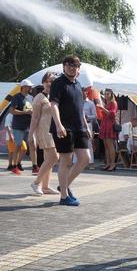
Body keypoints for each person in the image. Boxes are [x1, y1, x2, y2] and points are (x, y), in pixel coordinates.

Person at [50, 55, 91, 206]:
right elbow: (53, 105)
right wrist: (58, 125)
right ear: (64, 66)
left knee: (84, 158)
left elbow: (80, 108)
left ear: (78, 68)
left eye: (75, 65)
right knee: (66, 161)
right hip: (65, 128)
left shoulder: (78, 84)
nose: (72, 67)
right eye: (69, 64)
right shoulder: (58, 83)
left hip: (79, 127)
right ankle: (63, 196)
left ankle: (64, 185)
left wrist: (86, 126)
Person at [28, 72, 60, 196]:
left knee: (49, 159)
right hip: (43, 130)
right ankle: (36, 183)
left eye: (52, 81)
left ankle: (45, 186)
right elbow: (34, 117)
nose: (49, 83)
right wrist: (31, 135)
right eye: (47, 81)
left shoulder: (54, 96)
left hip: (53, 131)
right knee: (54, 157)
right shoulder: (39, 97)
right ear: (43, 82)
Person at [8, 79, 34, 175]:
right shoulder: (16, 97)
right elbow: (12, 111)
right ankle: (14, 166)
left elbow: (32, 109)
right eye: (29, 86)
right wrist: (24, 112)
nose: (30, 88)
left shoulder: (31, 98)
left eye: (31, 86)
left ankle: (19, 163)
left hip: (29, 125)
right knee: (18, 146)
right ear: (23, 87)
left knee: (30, 145)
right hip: (18, 125)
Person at [99, 88, 118, 171]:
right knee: (106, 146)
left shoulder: (113, 103)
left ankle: (113, 164)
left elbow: (112, 114)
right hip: (104, 124)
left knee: (110, 146)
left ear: (111, 95)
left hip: (110, 125)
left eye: (108, 94)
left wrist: (102, 108)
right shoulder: (106, 103)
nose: (106, 95)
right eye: (105, 94)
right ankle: (108, 163)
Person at [82, 87, 97, 169]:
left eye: (84, 92)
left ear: (87, 93)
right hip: (79, 125)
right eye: (81, 92)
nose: (83, 94)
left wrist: (88, 117)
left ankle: (90, 163)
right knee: (78, 144)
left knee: (89, 144)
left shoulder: (90, 103)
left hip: (88, 124)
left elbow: (95, 116)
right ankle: (78, 162)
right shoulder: (77, 102)